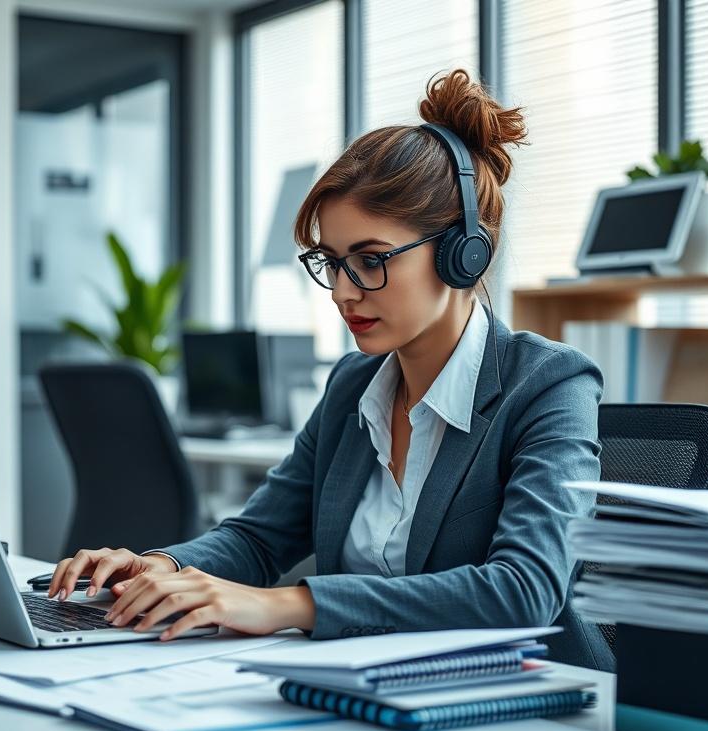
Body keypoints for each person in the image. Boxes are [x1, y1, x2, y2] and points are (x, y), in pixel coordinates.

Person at [48, 69, 613, 672]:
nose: (344, 292)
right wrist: (163, 567)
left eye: (370, 260)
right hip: (363, 690)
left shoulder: (550, 385)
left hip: (526, 708)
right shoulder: (354, 385)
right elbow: (259, 538)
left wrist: (290, 605)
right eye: (331, 262)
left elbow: (523, 592)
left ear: (462, 252)